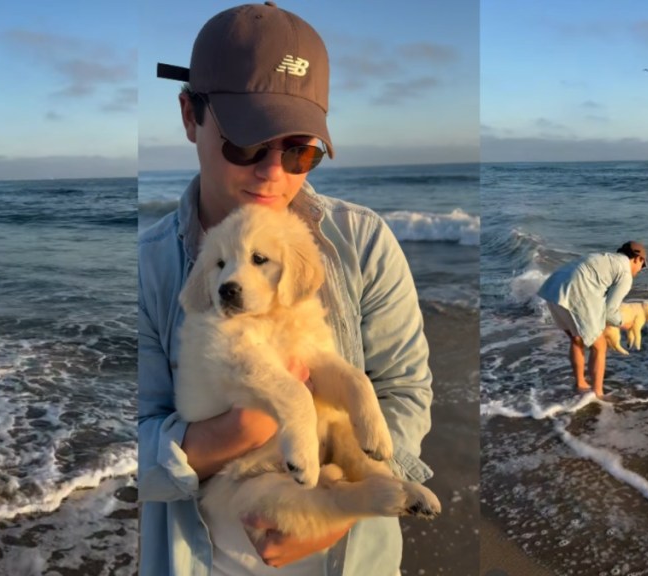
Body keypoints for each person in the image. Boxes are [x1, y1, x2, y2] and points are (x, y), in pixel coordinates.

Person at [137, 2, 434, 575]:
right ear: (189, 115)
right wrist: (243, 424)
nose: (274, 171)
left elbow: (403, 389)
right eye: (247, 143)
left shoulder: (364, 242)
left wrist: (337, 513)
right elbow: (133, 439)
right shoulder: (148, 267)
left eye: (300, 149)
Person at [537, 241, 648, 398]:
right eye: (642, 266)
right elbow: (610, 312)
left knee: (577, 339)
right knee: (600, 346)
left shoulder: (605, 258)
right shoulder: (625, 273)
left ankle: (581, 384)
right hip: (574, 292)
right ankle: (598, 394)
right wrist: (624, 323)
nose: (639, 271)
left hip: (553, 288)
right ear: (638, 259)